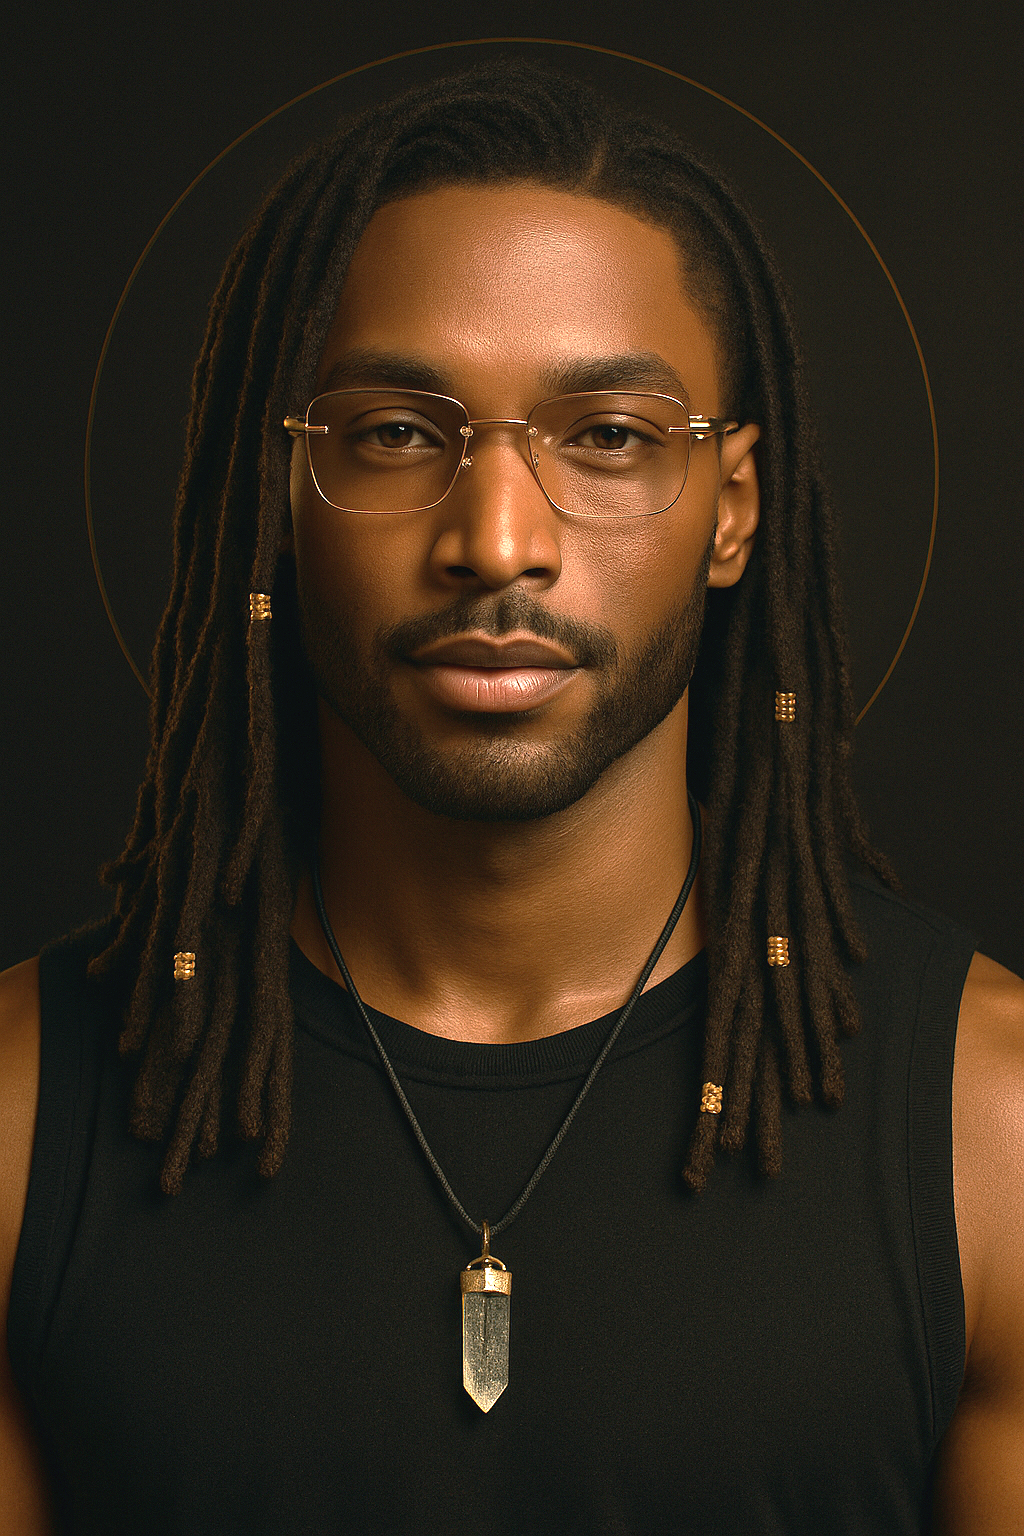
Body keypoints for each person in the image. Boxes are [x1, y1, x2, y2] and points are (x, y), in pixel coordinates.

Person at [1, 60, 1021, 1534]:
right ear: (281, 488)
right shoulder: (28, 1120)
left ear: (733, 510)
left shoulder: (996, 1136)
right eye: (400, 433)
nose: (496, 541)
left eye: (606, 437)